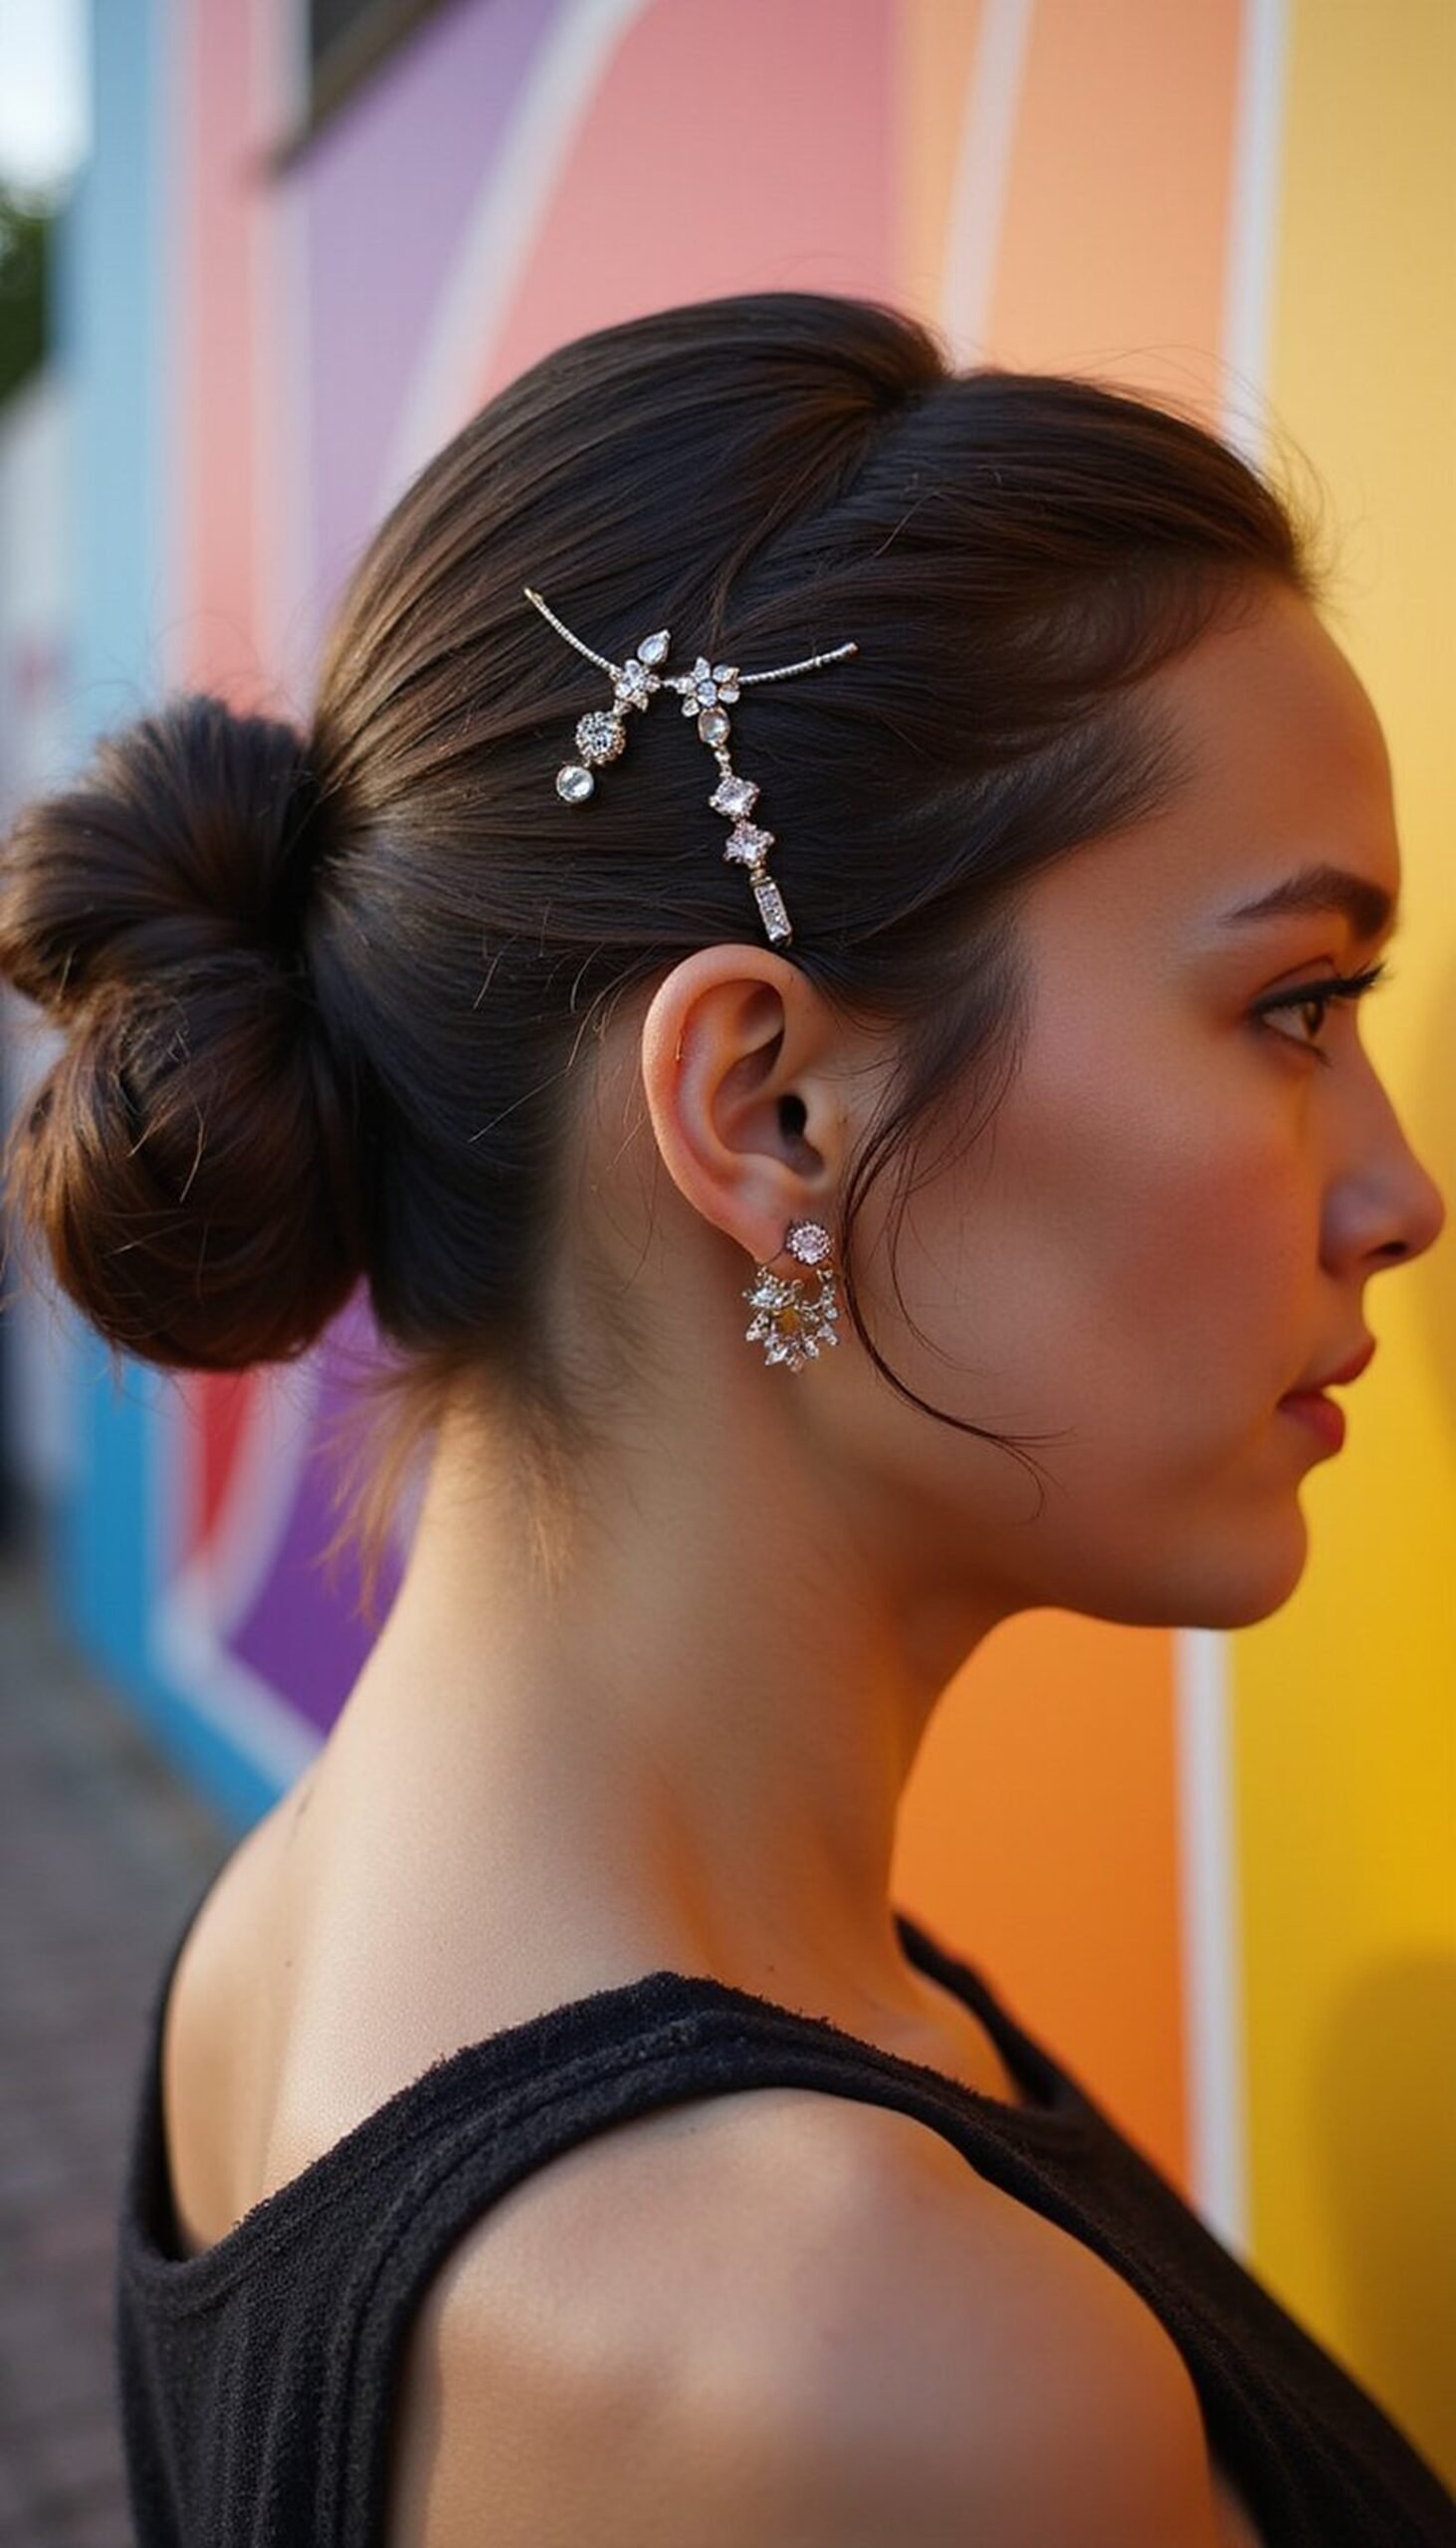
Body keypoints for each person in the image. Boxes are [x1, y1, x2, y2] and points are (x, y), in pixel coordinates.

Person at [0, 292, 1450, 2547]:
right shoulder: (867, 2379)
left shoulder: (290, 1931)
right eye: (1293, 1002)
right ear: (767, 1108)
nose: (1398, 1192)